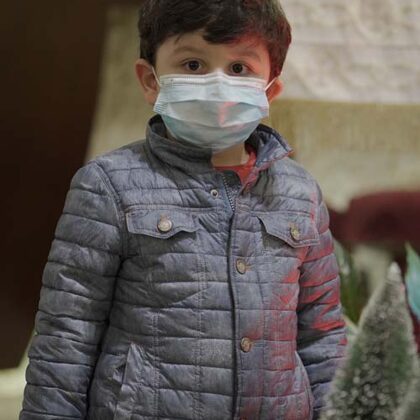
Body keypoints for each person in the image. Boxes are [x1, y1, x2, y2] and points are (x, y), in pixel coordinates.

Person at [19, 1, 348, 419]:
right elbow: (67, 336)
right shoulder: (108, 185)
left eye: (239, 68)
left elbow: (323, 338)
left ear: (270, 91)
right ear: (150, 80)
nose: (217, 84)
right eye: (193, 64)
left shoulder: (301, 193)